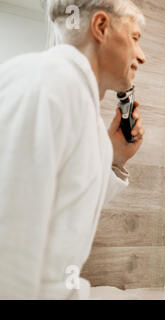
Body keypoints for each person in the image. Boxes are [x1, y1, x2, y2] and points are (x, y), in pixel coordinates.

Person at [0, 0, 147, 299]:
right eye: (134, 38)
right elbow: (8, 250)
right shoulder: (47, 84)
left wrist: (114, 156)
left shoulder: (78, 103)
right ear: (101, 27)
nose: (141, 57)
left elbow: (66, 207)